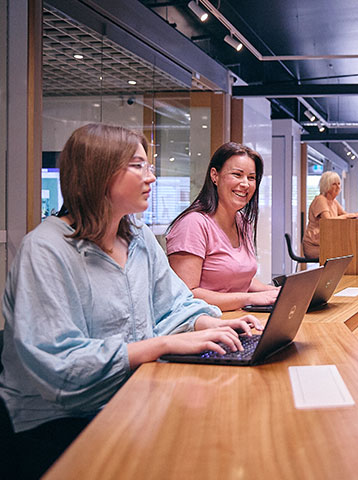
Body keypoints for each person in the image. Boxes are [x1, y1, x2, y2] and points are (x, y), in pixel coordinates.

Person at [0, 124, 262, 478]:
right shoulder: (45, 250)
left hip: (132, 394)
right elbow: (61, 367)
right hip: (61, 421)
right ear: (99, 172)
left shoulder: (136, 237)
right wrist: (163, 344)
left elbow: (174, 304)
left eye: (149, 166)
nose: (151, 177)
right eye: (138, 166)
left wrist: (210, 324)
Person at [166, 143, 279, 311]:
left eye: (251, 177)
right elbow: (185, 296)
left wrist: (274, 292)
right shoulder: (193, 224)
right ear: (215, 176)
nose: (245, 184)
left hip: (236, 320)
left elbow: (239, 279)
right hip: (202, 328)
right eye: (237, 175)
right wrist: (250, 298)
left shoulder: (243, 222)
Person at [302, 171, 358, 259]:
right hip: (315, 246)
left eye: (339, 184)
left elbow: (345, 215)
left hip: (326, 243)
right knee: (346, 253)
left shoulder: (333, 202)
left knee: (351, 250)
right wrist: (347, 216)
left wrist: (354, 216)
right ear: (326, 185)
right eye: (334, 184)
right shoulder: (320, 200)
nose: (338, 187)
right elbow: (328, 221)